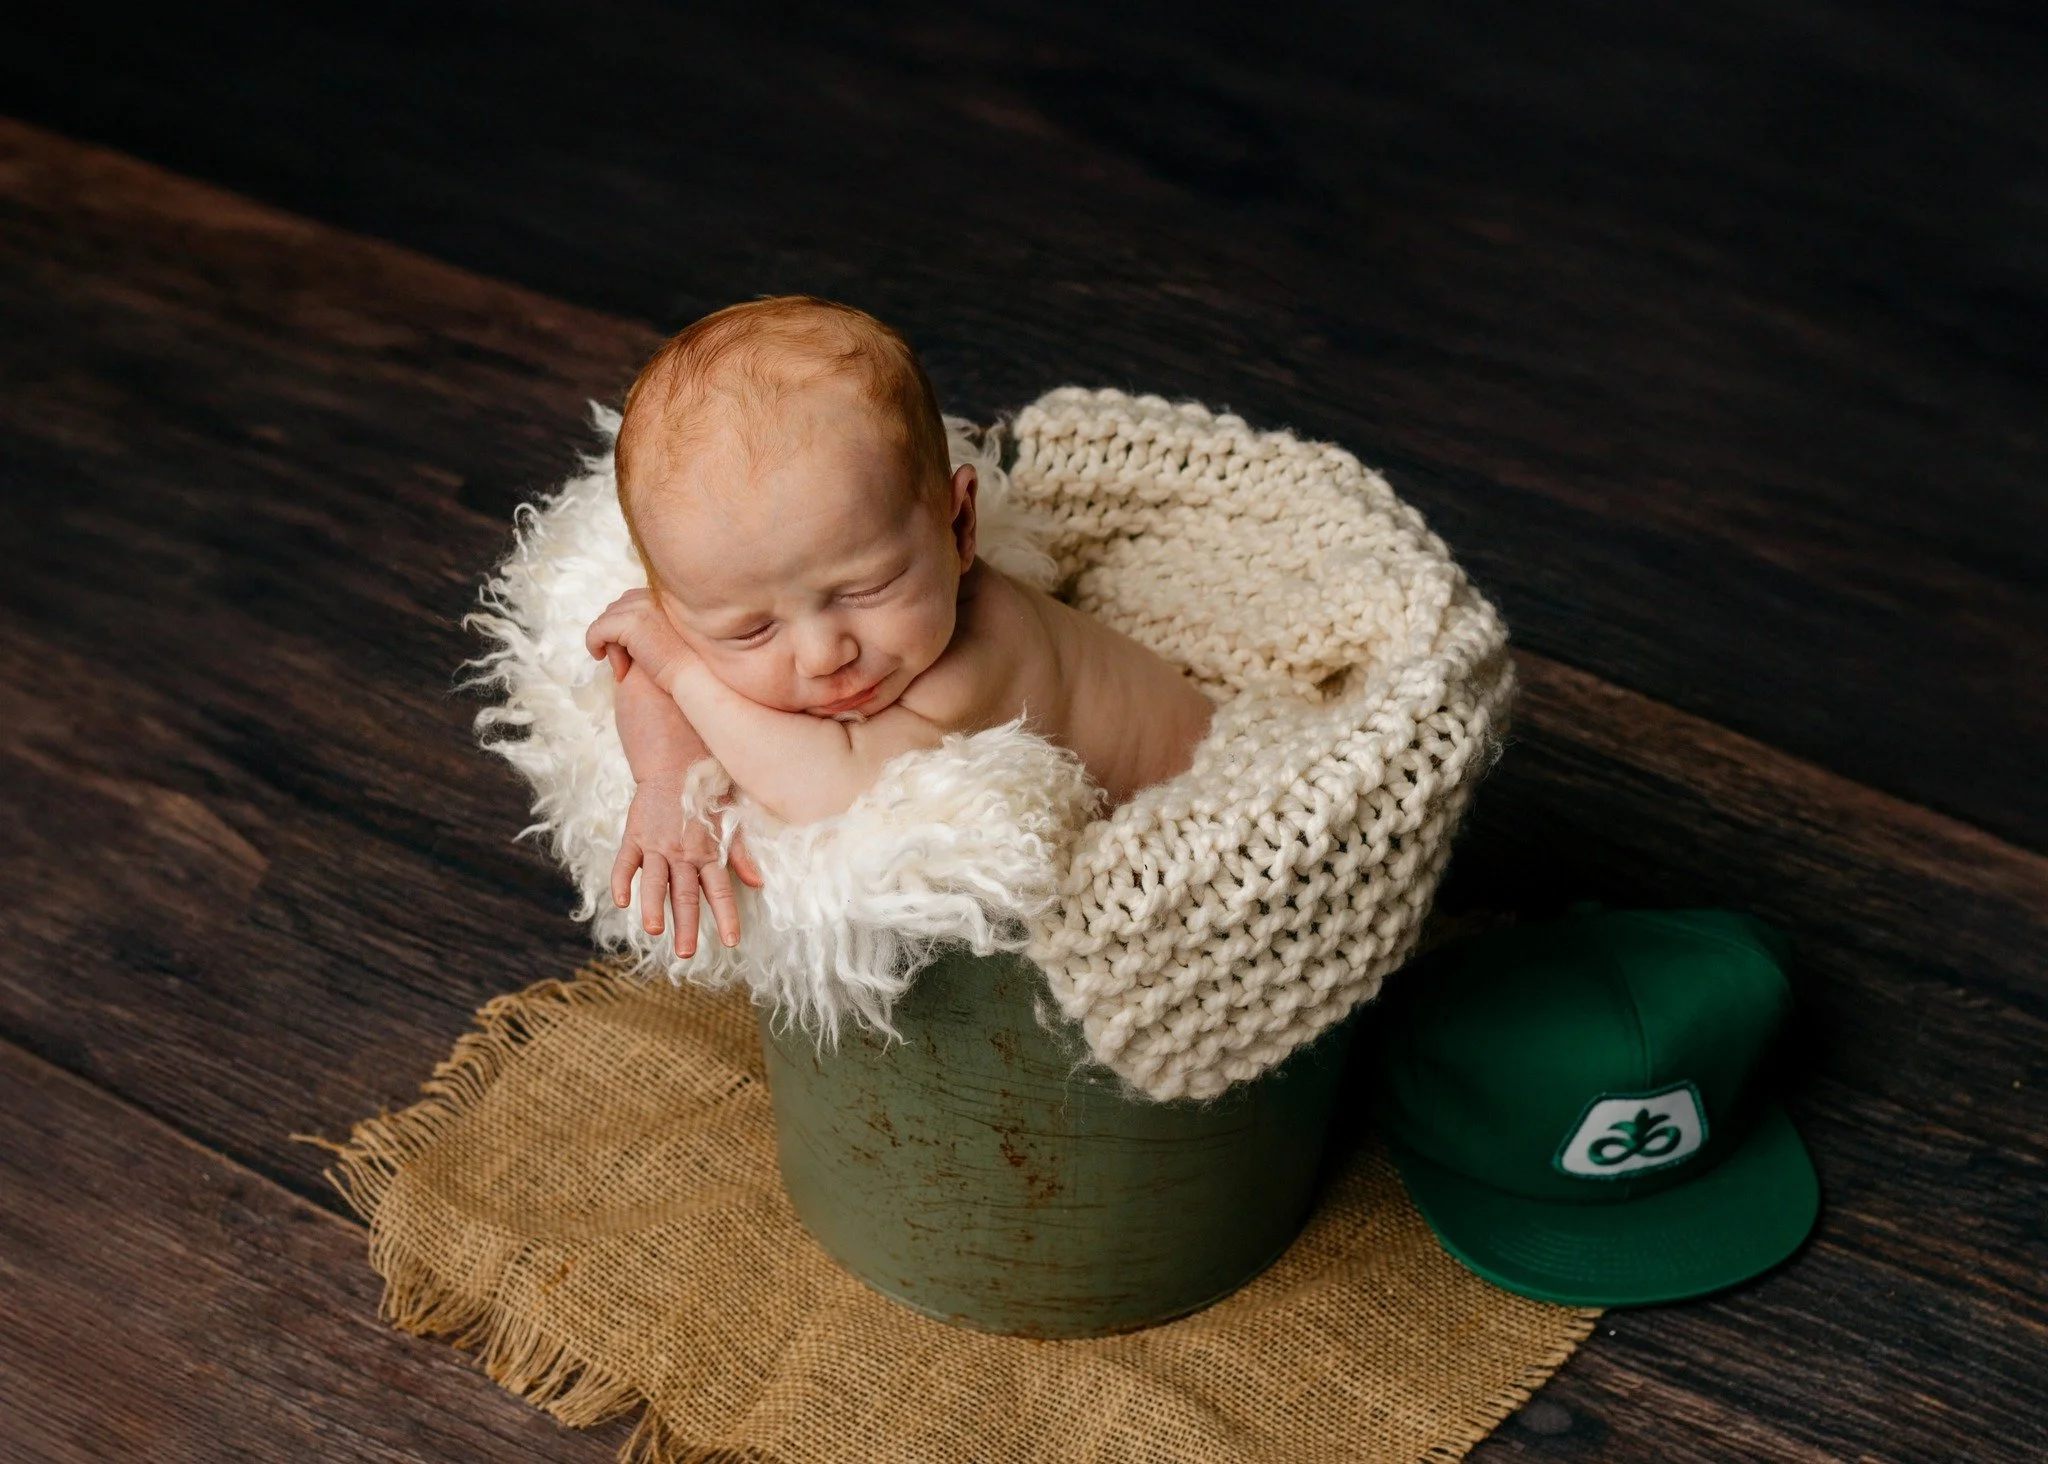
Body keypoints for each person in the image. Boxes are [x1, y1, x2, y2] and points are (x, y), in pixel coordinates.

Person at [588, 297, 1213, 954]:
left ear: (959, 526)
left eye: (867, 589)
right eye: (751, 632)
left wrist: (682, 670)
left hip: (1184, 832)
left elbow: (834, 791)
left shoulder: (975, 658)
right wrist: (664, 777)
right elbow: (642, 660)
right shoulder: (729, 583)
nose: (824, 653)